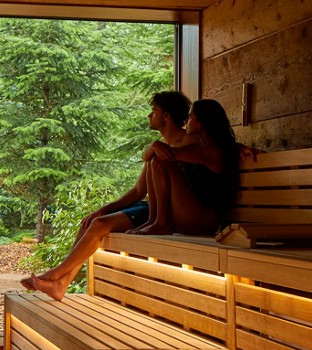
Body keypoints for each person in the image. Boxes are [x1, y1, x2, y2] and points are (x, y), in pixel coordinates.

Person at [21, 98, 242, 301]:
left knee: (157, 163)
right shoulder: (187, 146)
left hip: (200, 218)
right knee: (94, 221)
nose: (187, 120)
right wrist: (152, 148)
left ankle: (56, 275)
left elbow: (192, 154)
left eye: (192, 117)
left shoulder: (200, 148)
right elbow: (139, 189)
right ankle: (61, 282)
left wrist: (154, 149)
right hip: (180, 212)